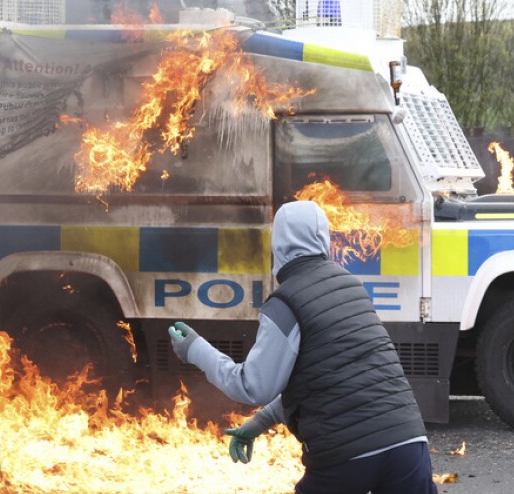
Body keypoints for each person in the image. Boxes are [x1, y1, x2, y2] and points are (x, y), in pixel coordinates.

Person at [169, 200, 437, 494]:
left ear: (278, 245)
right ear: (323, 238)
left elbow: (253, 386)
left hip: (347, 455)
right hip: (409, 444)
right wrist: (259, 422)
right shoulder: (350, 285)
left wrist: (195, 349)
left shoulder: (286, 302)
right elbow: (326, 380)